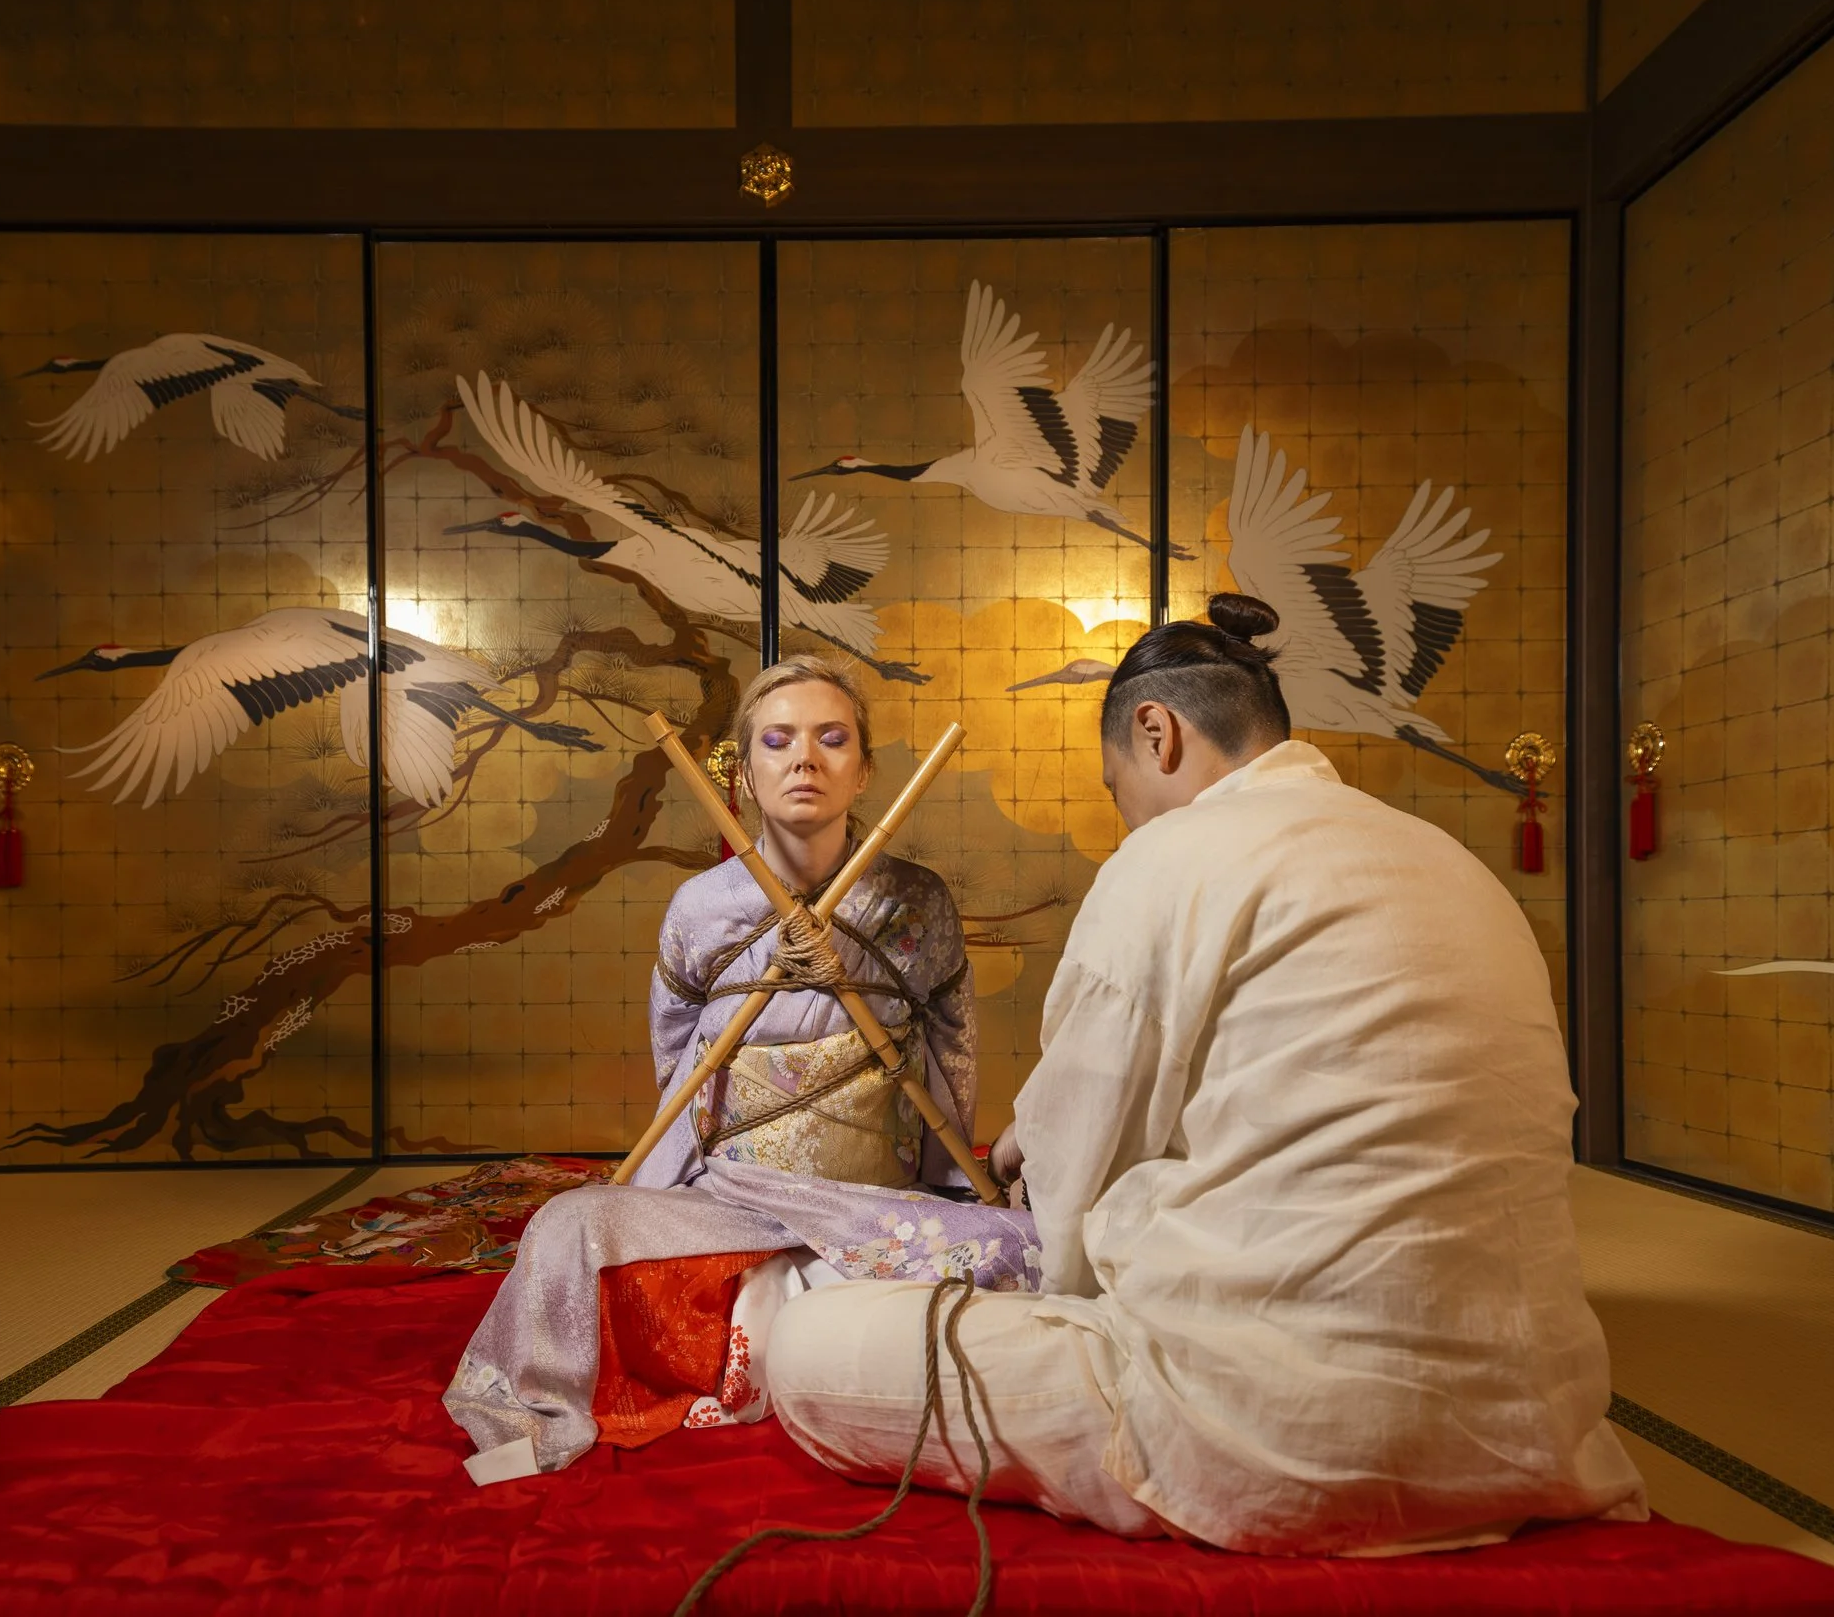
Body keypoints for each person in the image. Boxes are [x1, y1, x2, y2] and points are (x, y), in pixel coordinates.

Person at [766, 598, 1648, 1556]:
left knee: (807, 1348)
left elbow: (1071, 1199)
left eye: (1116, 788)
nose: (1125, 815)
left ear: (1158, 732)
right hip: (1529, 1424)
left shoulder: (1167, 859)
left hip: (1271, 1427)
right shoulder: (1446, 856)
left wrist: (1034, 1153)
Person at [445, 656, 1039, 1483]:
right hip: (735, 1194)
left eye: (833, 739)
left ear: (864, 768)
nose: (806, 759)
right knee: (568, 1227)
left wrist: (946, 1175)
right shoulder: (701, 907)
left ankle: (788, 1315)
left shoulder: (917, 901)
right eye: (779, 740)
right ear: (746, 771)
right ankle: (788, 1324)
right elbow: (677, 1048)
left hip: (872, 1195)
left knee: (1031, 1253)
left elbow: (951, 1042)